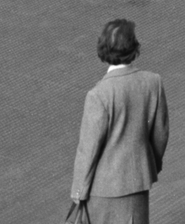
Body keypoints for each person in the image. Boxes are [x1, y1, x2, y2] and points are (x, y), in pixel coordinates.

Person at [69, 18, 169, 224]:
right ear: (134, 47)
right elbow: (161, 134)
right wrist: (149, 166)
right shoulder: (153, 82)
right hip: (138, 184)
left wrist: (78, 192)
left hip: (103, 190)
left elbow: (88, 149)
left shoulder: (98, 95)